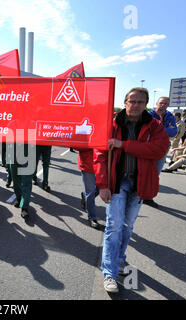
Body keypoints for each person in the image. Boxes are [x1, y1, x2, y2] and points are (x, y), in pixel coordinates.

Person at [94, 87, 169, 293]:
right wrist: (102, 184)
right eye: (131, 101)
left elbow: (159, 150)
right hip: (117, 183)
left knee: (127, 226)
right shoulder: (112, 124)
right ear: (125, 102)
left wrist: (124, 145)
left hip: (140, 184)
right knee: (114, 226)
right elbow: (100, 155)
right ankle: (109, 273)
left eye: (140, 102)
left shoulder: (154, 126)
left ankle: (119, 260)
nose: (135, 105)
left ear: (146, 105)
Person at [144, 97, 177, 208]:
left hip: (162, 149)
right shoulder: (147, 114)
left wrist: (158, 129)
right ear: (156, 103)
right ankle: (137, 195)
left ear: (168, 105)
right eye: (161, 103)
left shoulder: (170, 116)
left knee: (155, 174)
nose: (163, 105)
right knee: (141, 171)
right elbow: (146, 130)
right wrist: (164, 128)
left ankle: (148, 198)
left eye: (165, 103)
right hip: (147, 148)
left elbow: (173, 132)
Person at [77, 148, 99, 229]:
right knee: (90, 192)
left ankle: (85, 196)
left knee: (100, 189)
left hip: (102, 164)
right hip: (87, 165)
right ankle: (92, 218)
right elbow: (76, 145)